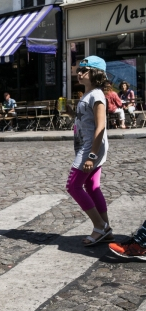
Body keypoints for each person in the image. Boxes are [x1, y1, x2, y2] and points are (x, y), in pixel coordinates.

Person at [65, 56, 113, 246]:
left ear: (96, 73)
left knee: (73, 186)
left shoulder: (97, 96)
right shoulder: (87, 95)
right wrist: (71, 112)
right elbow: (87, 120)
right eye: (79, 70)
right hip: (87, 146)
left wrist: (91, 156)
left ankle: (99, 226)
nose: (80, 73)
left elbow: (100, 127)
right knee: (92, 187)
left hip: (90, 148)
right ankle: (106, 229)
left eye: (85, 70)